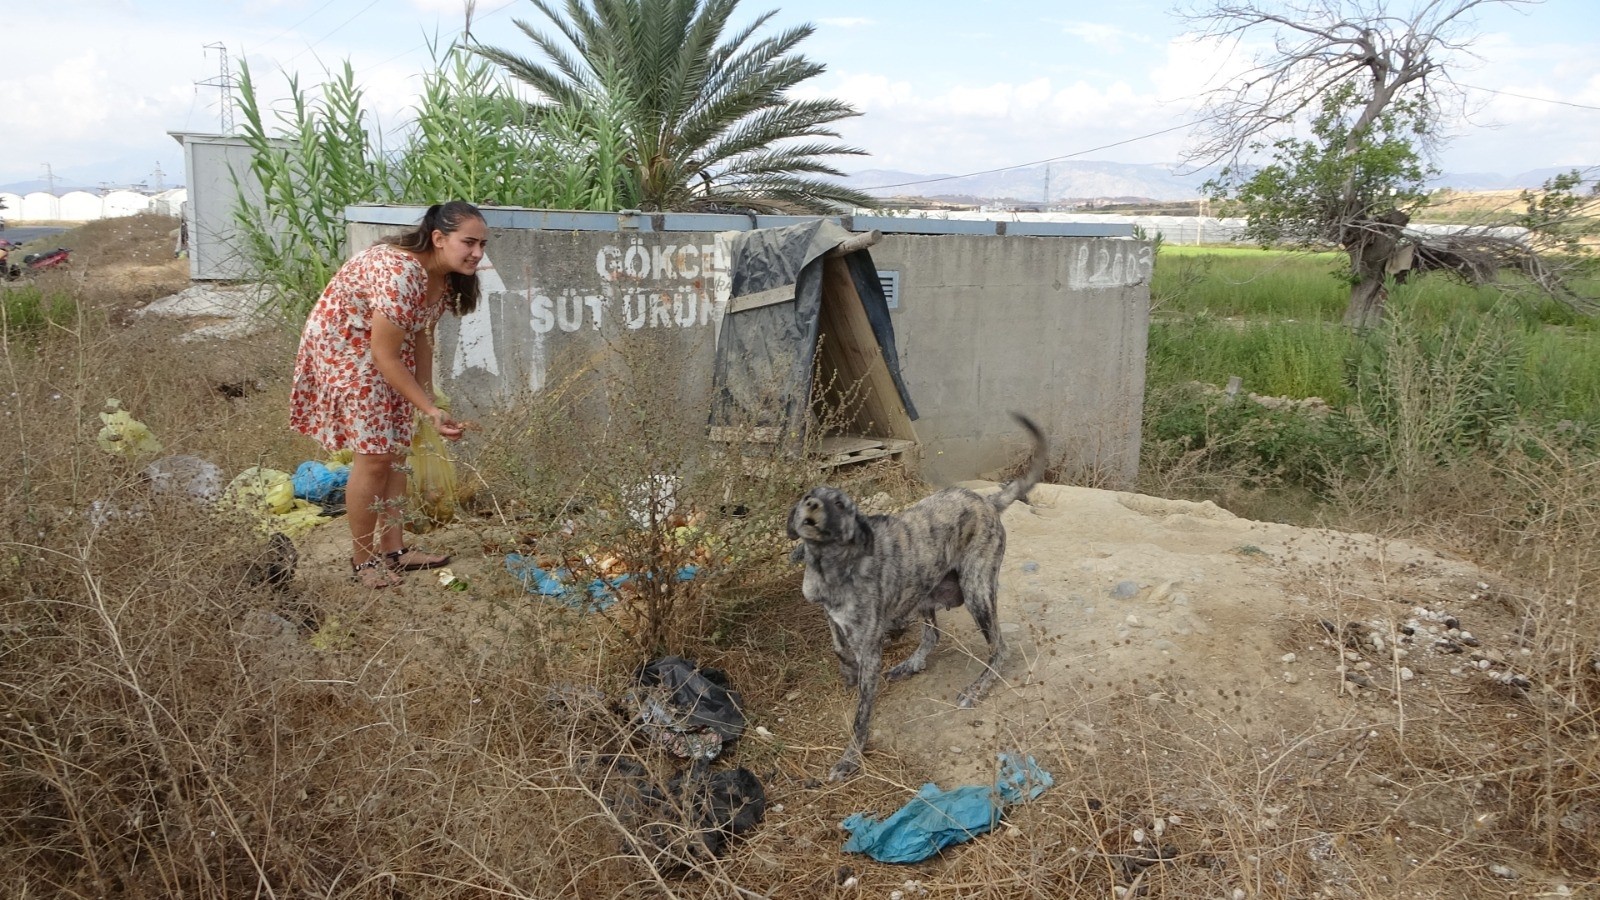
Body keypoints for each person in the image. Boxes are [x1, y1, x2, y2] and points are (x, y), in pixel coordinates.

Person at [289, 201, 487, 588]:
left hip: (382, 351)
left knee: (398, 449)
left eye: (482, 244)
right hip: (346, 349)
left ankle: (394, 551)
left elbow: (421, 336)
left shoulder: (442, 277)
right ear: (439, 238)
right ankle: (363, 562)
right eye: (469, 242)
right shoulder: (401, 272)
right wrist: (427, 406)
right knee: (375, 457)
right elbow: (382, 353)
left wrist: (430, 402)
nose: (477, 253)